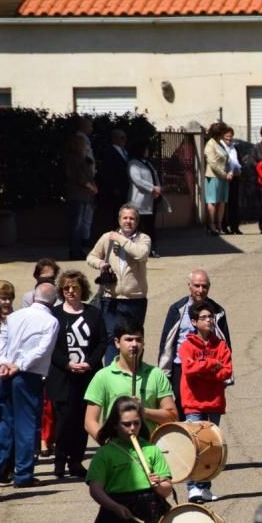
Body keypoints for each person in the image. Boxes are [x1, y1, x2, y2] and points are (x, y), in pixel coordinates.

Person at [0, 283, 59, 488]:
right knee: (27, 425)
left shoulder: (14, 317)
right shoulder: (50, 321)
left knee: (6, 421)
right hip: (28, 375)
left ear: (34, 297)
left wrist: (3, 363)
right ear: (53, 301)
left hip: (7, 372)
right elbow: (42, 350)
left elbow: (1, 341)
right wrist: (19, 365)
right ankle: (23, 473)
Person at [46, 270, 107, 479]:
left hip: (88, 376)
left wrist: (89, 363)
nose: (70, 292)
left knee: (83, 420)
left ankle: (76, 461)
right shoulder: (54, 314)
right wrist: (68, 364)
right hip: (63, 377)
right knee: (64, 420)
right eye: (66, 288)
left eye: (75, 288)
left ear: (83, 289)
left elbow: (102, 342)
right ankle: (60, 461)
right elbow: (50, 346)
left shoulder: (94, 313)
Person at [84, 320, 178, 440]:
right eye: (129, 339)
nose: (134, 344)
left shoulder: (156, 374)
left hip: (150, 448)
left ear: (143, 343)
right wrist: (108, 445)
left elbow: (173, 417)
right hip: (117, 449)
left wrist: (144, 411)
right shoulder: (103, 376)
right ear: (117, 343)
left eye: (138, 340)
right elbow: (90, 422)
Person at [157, 269, 230, 420]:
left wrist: (224, 373)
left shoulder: (217, 311)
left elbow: (225, 341)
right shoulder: (177, 309)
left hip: (210, 366)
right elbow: (166, 341)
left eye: (204, 286)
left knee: (207, 409)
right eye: (197, 286)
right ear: (189, 286)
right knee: (183, 405)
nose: (200, 290)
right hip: (182, 365)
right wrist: (164, 370)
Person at [179, 299, 233, 503]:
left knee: (211, 447)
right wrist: (212, 364)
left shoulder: (221, 345)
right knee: (194, 445)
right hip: (193, 402)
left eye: (211, 317)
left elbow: (227, 371)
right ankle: (193, 486)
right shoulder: (187, 345)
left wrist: (205, 368)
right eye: (204, 317)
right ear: (194, 322)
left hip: (215, 403)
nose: (209, 320)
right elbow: (189, 370)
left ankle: (205, 487)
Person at [87, 203, 151, 364]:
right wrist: (101, 264)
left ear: (137, 221)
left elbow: (141, 254)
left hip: (135, 299)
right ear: (119, 219)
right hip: (111, 298)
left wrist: (121, 239)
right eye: (125, 218)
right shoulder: (107, 238)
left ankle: (133, 372)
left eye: (132, 218)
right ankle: (112, 373)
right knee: (111, 339)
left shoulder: (143, 239)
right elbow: (91, 257)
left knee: (134, 339)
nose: (128, 221)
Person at [127, 139, 164, 258]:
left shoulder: (148, 163)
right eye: (146, 149)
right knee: (138, 226)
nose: (148, 151)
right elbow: (137, 180)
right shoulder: (133, 163)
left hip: (151, 201)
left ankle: (151, 249)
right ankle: (135, 250)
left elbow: (155, 176)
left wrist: (158, 189)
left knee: (150, 227)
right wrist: (152, 188)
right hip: (139, 200)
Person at [65, 131, 98, 260]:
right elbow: (78, 176)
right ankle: (75, 250)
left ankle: (79, 249)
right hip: (77, 195)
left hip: (84, 196)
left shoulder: (83, 158)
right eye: (83, 144)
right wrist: (90, 186)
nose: (85, 147)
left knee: (81, 224)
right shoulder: (73, 159)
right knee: (76, 225)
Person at [96, 128, 130, 233]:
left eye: (125, 138)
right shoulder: (109, 152)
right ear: (115, 139)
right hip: (116, 189)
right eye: (122, 138)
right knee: (116, 213)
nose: (124, 140)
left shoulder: (125, 152)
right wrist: (114, 187)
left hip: (125, 188)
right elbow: (109, 172)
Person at [204, 122, 232, 236]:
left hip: (224, 177)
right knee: (213, 201)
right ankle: (212, 226)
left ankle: (219, 225)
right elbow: (212, 163)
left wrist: (230, 171)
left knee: (222, 202)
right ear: (218, 133)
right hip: (213, 176)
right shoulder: (210, 145)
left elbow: (226, 159)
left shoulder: (219, 144)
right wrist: (224, 174)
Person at [221, 125, 244, 235]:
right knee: (225, 203)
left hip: (235, 177)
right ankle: (224, 226)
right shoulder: (221, 147)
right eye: (227, 137)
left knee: (234, 203)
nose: (229, 139)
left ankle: (235, 226)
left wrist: (240, 169)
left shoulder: (235, 148)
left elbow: (239, 161)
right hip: (225, 178)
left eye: (230, 137)